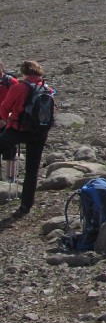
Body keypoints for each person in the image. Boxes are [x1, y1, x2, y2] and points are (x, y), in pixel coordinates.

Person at [0, 60, 52, 218]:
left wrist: (7, 119)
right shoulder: (47, 88)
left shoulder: (19, 87)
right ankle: (25, 206)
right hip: (39, 132)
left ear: (24, 72)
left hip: (17, 130)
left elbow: (4, 108)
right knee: (32, 170)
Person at [0, 62, 19, 183]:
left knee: (10, 150)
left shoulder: (11, 82)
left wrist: (5, 119)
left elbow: (19, 103)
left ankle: (10, 178)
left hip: (8, 121)